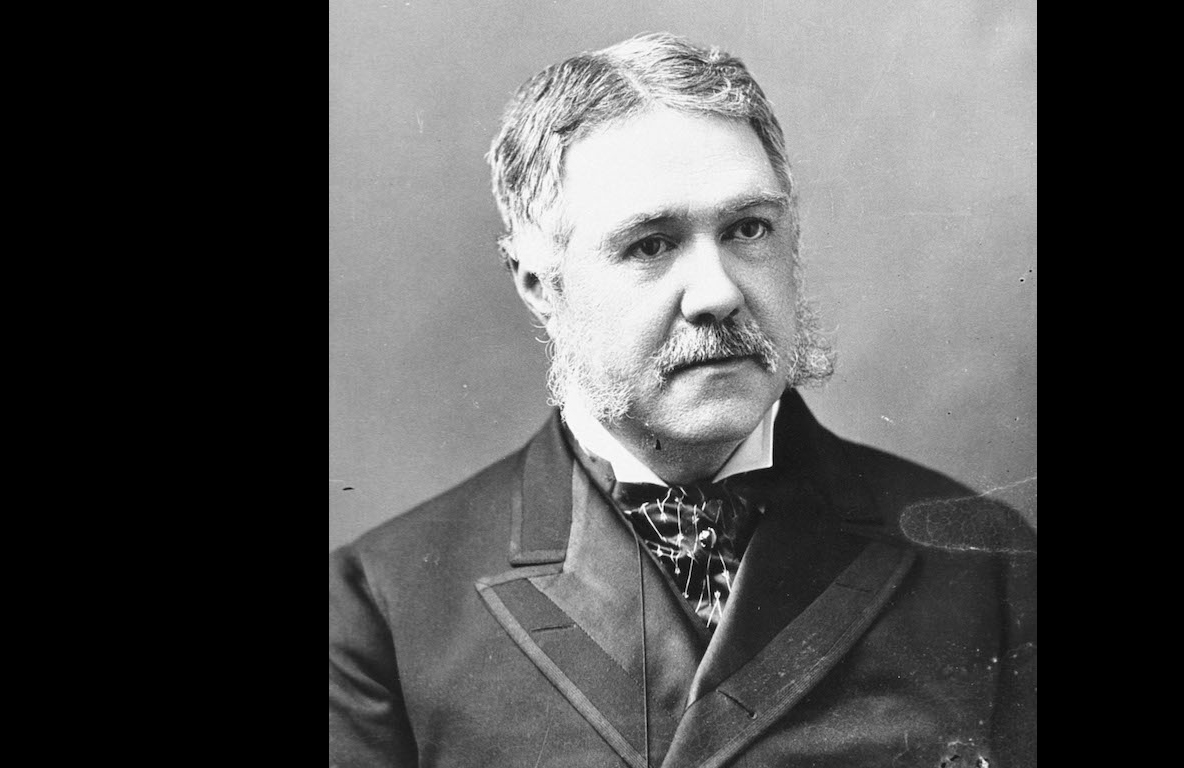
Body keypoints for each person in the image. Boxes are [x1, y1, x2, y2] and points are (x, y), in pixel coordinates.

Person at [330, 32, 1035, 768]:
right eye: (651, 245)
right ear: (538, 283)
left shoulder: (982, 561)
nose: (718, 293)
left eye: (747, 229)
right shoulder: (378, 605)